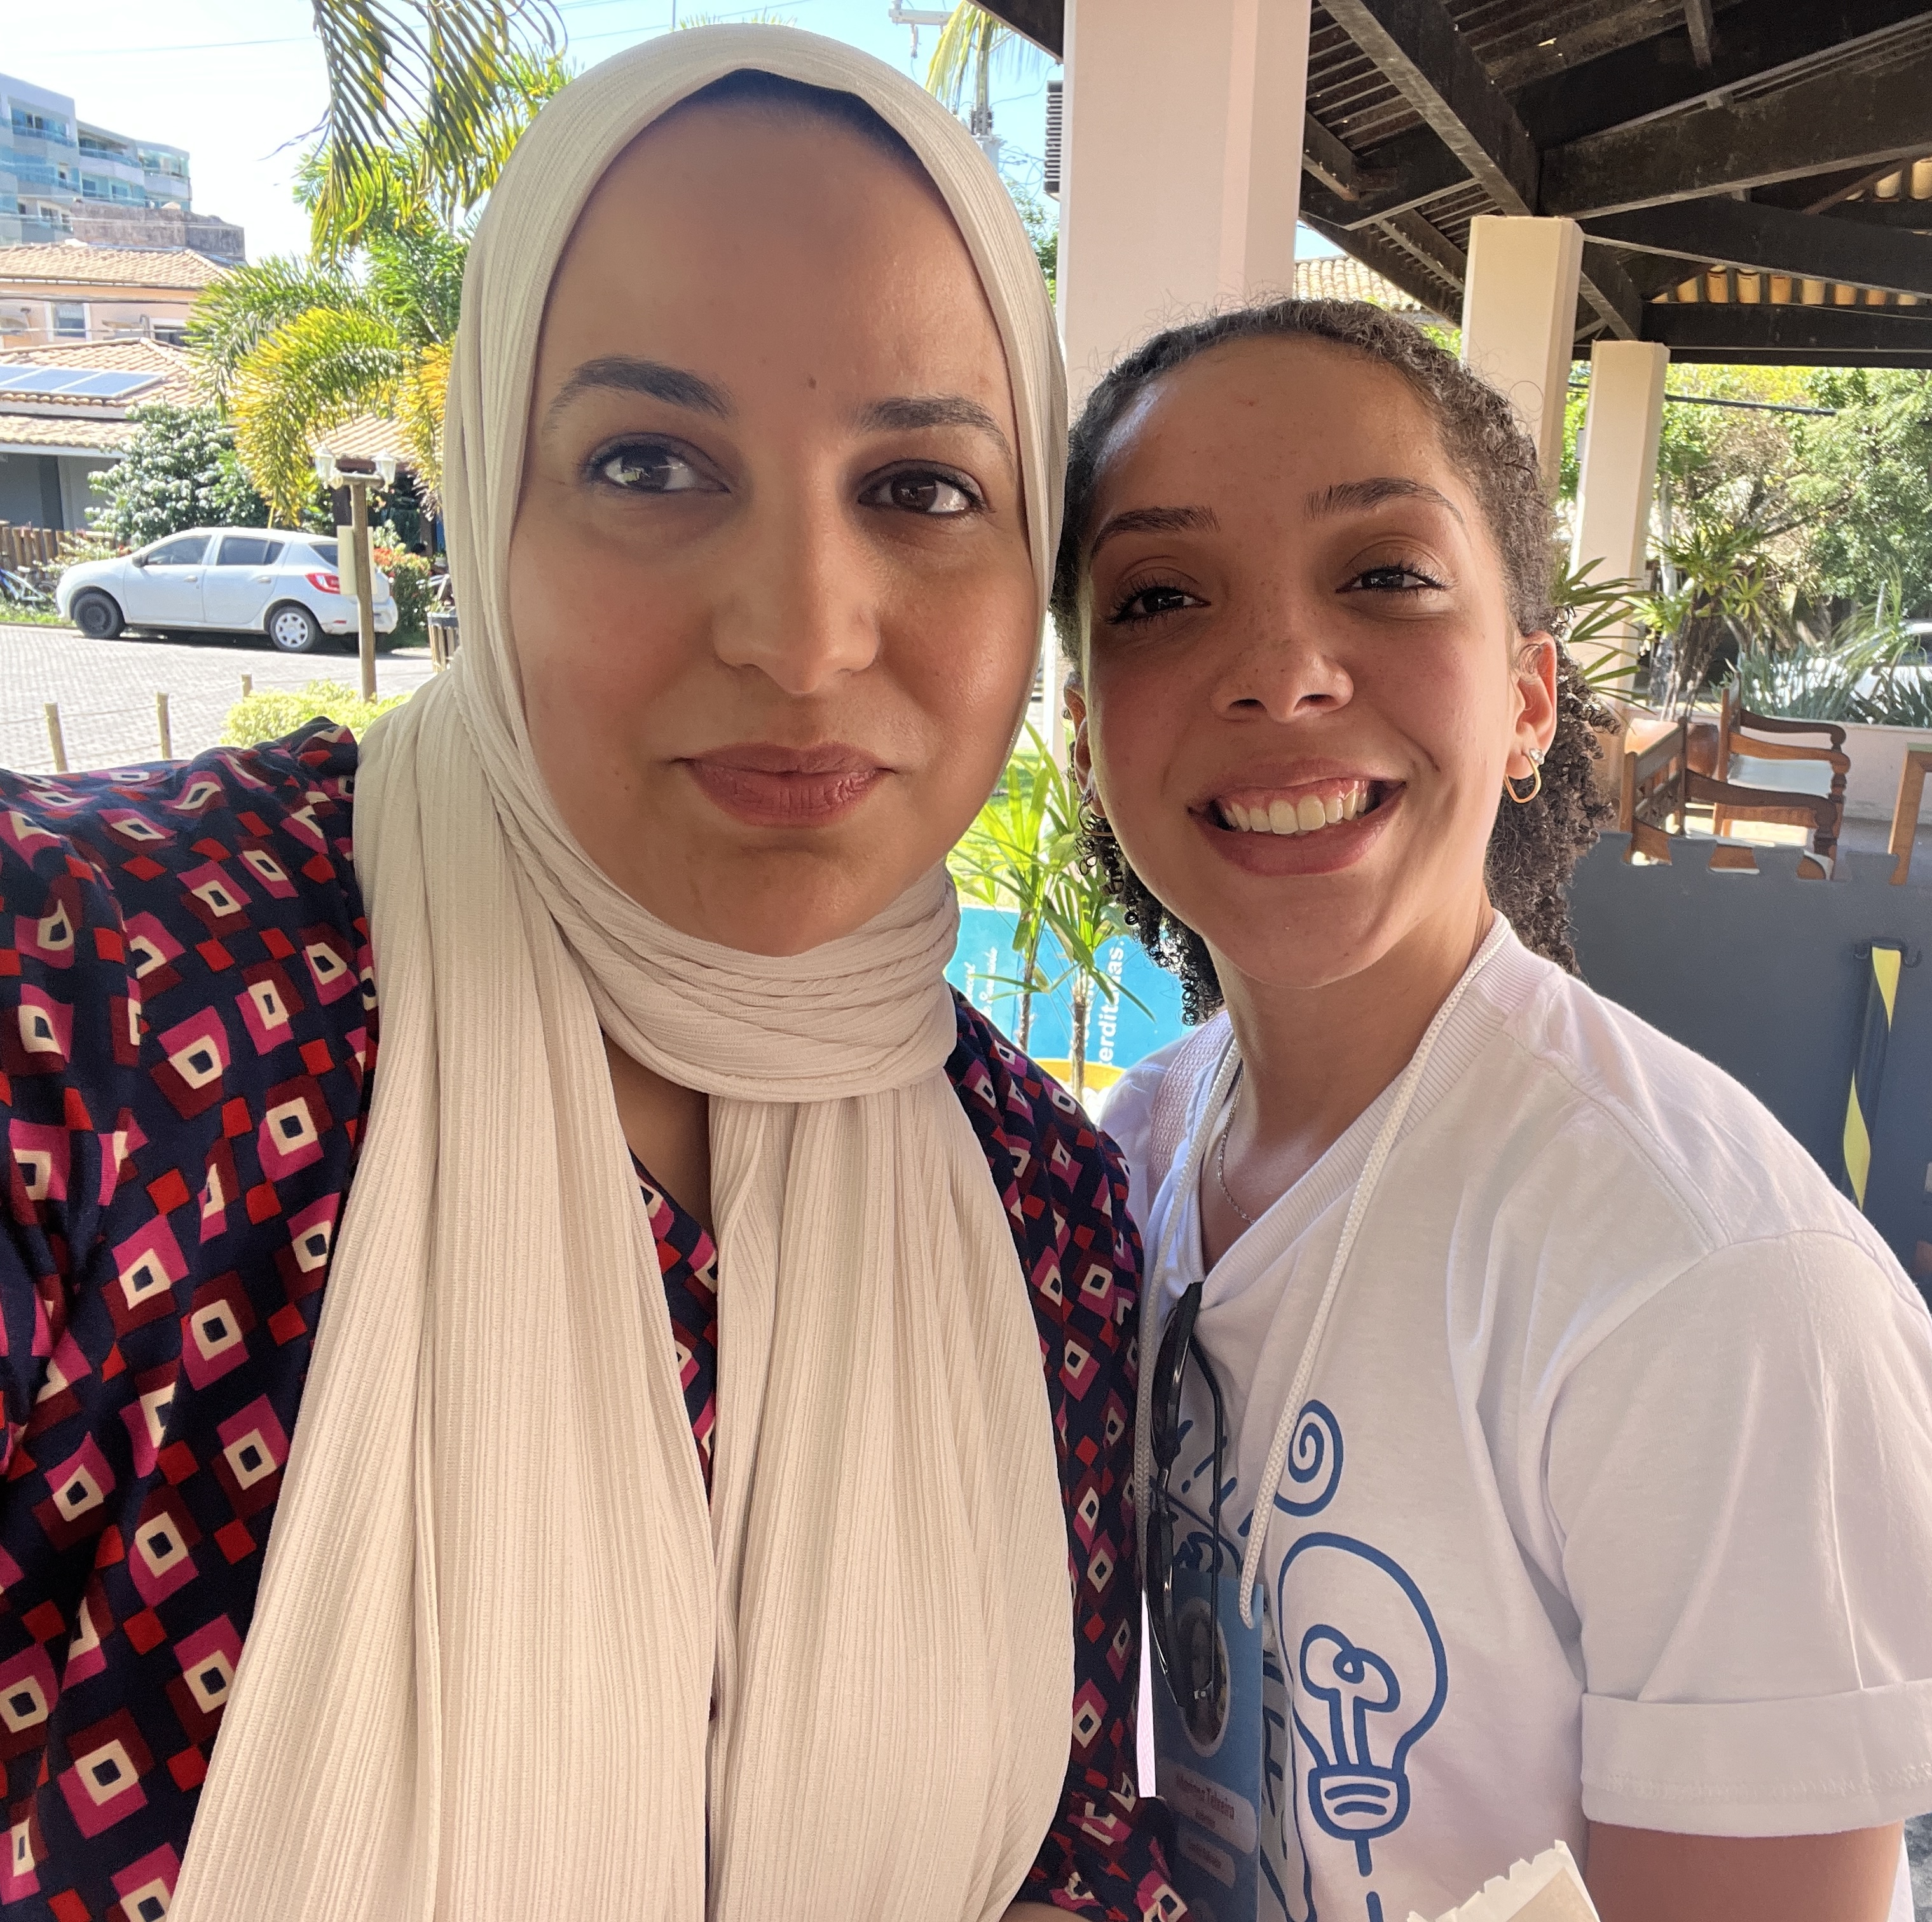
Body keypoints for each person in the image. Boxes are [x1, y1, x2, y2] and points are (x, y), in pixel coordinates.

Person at [0, 33, 1174, 1922]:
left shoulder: (1045, 1208)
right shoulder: (94, 992)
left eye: (922, 486)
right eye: (647, 463)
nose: (802, 634)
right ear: (490, 501)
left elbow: (1073, 1857)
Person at [1064, 298, 1932, 1922]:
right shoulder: (1121, 1165)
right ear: (1081, 730)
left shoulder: (1708, 1288)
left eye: (1382, 574)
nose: (1280, 672)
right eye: (1162, 597)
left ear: (1530, 698)